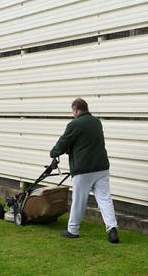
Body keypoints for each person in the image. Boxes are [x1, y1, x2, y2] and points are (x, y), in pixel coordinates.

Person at [50, 98, 119, 243]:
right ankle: (112, 229)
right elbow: (86, 142)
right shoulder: (96, 122)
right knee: (105, 199)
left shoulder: (74, 124)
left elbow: (64, 141)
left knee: (79, 200)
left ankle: (73, 230)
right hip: (101, 167)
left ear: (76, 110)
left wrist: (54, 153)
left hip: (83, 169)